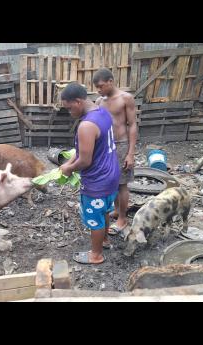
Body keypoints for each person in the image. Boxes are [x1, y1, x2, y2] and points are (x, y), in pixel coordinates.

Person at [59, 82, 120, 264]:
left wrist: (69, 169)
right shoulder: (102, 113)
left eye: (69, 109)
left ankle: (96, 254)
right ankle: (105, 240)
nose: (70, 113)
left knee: (94, 218)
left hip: (97, 180)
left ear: (78, 102)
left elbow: (85, 161)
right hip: (111, 174)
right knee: (105, 211)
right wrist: (69, 162)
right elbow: (83, 152)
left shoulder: (86, 126)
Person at [93, 68, 138, 238]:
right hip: (105, 146)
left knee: (122, 183)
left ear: (110, 81)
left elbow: (132, 124)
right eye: (97, 87)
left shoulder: (125, 98)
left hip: (121, 145)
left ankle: (122, 218)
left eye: (101, 86)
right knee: (110, 182)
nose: (99, 90)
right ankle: (117, 210)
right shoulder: (99, 101)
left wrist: (131, 153)